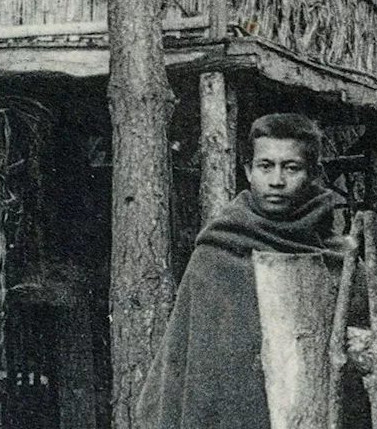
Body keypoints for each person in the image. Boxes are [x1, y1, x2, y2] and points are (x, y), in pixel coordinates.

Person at [135, 113, 346, 428]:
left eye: (291, 167)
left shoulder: (336, 257)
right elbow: (186, 364)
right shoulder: (217, 255)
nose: (277, 180)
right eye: (265, 166)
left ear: (312, 174)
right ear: (248, 171)